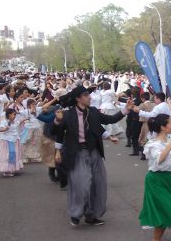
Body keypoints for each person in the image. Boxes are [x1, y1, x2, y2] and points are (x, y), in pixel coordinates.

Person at [53, 85, 132, 226]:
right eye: (86, 95)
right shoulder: (68, 114)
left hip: (94, 152)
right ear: (78, 98)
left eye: (89, 95)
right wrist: (58, 149)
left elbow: (109, 120)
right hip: (77, 153)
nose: (90, 97)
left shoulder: (93, 112)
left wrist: (126, 110)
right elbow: (57, 132)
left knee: (98, 184)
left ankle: (92, 215)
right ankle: (76, 213)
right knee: (82, 185)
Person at [0, 108, 24, 178]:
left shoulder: (15, 121)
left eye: (15, 115)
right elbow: (0, 129)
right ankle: (6, 170)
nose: (15, 116)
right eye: (14, 114)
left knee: (14, 153)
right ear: (9, 114)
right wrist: (5, 129)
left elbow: (19, 122)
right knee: (8, 154)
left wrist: (25, 119)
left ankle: (12, 169)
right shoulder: (4, 122)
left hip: (15, 140)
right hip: (7, 141)